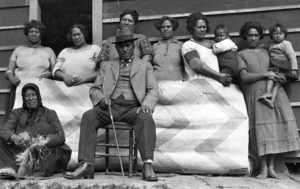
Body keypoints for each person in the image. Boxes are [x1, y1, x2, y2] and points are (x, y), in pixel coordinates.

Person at [64, 28, 159, 181]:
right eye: (121, 46)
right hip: (109, 106)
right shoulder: (107, 65)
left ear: (133, 46)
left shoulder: (144, 66)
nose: (125, 49)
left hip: (133, 108)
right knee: (89, 116)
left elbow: (153, 89)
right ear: (117, 48)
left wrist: (147, 104)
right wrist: (101, 98)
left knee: (146, 118)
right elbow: (95, 88)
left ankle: (148, 165)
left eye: (128, 45)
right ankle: (86, 164)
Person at [237, 21, 300, 179]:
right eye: (250, 35)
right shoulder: (241, 54)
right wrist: (266, 75)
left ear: (260, 36)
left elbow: (281, 66)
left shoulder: (268, 50)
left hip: (273, 94)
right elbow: (244, 77)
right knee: (260, 132)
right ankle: (263, 168)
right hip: (256, 95)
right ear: (245, 36)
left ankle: (272, 167)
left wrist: (282, 77)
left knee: (272, 131)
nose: (253, 38)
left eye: (256, 35)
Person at [0, 83, 71, 179]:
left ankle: (29, 170)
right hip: (21, 153)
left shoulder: (50, 113)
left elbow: (61, 136)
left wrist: (41, 140)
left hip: (40, 153)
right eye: (27, 95)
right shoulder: (16, 113)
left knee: (48, 130)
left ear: (38, 96)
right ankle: (10, 168)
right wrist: (13, 137)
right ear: (24, 98)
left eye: (33, 94)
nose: (31, 98)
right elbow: (4, 130)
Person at [4, 20, 56, 122]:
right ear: (27, 34)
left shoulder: (48, 51)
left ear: (41, 34)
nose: (33, 34)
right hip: (19, 87)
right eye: (31, 31)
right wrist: (12, 77)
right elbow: (9, 71)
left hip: (41, 88)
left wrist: (48, 75)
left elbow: (55, 72)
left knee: (39, 117)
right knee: (16, 117)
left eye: (37, 32)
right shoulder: (18, 50)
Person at [181, 12, 232, 86]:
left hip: (216, 85)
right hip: (198, 87)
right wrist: (218, 76)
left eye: (204, 27)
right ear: (191, 29)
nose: (202, 29)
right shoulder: (188, 45)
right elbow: (197, 65)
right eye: (199, 27)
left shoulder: (213, 44)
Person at [258, 23, 298, 108]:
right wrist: (260, 46)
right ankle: (271, 101)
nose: (278, 36)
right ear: (271, 36)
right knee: (277, 83)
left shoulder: (285, 44)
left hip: (283, 67)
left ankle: (268, 92)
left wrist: (294, 69)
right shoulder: (271, 44)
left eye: (280, 33)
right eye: (275, 34)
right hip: (275, 66)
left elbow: (292, 57)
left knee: (272, 78)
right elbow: (265, 46)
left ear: (285, 35)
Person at [152, 16, 185, 81]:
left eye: (168, 27)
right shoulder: (154, 46)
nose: (165, 29)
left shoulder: (181, 45)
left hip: (176, 85)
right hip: (157, 85)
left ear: (173, 28)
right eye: (163, 27)